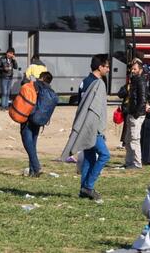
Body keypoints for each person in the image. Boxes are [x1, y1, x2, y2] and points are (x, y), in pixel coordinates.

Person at [61, 55, 110, 202]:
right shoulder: (97, 84)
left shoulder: (85, 82)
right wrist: (97, 128)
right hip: (91, 127)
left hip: (84, 125)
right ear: (100, 67)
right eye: (106, 66)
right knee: (104, 155)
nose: (108, 69)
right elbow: (94, 109)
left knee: (89, 157)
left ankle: (83, 189)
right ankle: (89, 186)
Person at [20, 71, 54, 177]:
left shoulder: (36, 85)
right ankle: (32, 171)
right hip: (39, 121)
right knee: (33, 144)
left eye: (40, 77)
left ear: (43, 78)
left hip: (28, 118)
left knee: (28, 144)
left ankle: (36, 166)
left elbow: (24, 83)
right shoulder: (50, 90)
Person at [125, 60, 147, 169]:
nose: (132, 71)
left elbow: (143, 99)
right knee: (128, 139)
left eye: (135, 69)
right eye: (132, 69)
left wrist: (136, 114)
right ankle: (129, 162)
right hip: (131, 112)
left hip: (136, 114)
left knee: (134, 139)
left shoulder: (141, 81)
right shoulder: (133, 81)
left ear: (140, 70)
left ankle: (137, 163)